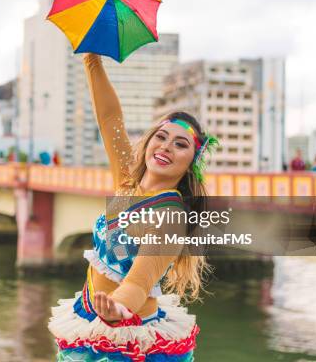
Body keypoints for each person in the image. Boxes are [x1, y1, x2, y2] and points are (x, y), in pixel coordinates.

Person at [48, 54, 216, 361]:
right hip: (88, 321)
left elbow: (139, 281)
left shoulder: (170, 217)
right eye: (161, 137)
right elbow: (110, 119)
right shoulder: (127, 181)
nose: (166, 146)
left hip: (128, 338)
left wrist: (118, 309)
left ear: (192, 161)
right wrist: (92, 61)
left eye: (180, 144)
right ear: (150, 141)